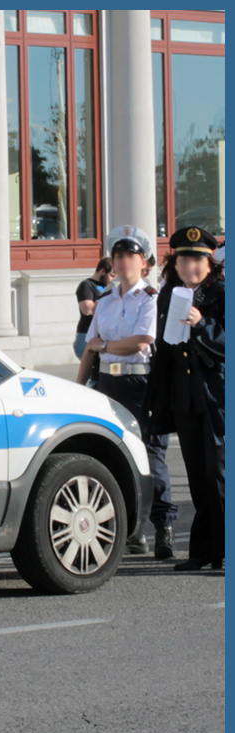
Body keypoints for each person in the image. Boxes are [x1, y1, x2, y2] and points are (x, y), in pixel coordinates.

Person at [76, 225, 177, 556]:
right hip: (107, 384)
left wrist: (104, 344)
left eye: (129, 256)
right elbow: (90, 349)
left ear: (144, 263)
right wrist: (79, 390)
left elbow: (142, 340)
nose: (121, 262)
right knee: (112, 453)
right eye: (117, 256)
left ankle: (164, 526)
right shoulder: (105, 299)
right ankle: (132, 530)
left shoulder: (151, 299)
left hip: (139, 384)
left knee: (150, 454)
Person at [147, 227, 225, 571]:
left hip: (217, 397)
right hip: (185, 398)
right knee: (197, 476)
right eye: (183, 259)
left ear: (209, 264)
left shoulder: (221, 294)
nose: (190, 266)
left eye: (196, 259)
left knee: (220, 476)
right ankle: (204, 550)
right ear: (174, 263)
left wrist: (202, 324)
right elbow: (163, 351)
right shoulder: (169, 295)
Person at [74, 257, 113, 360]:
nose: (113, 279)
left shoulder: (112, 286)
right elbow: (87, 309)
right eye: (112, 275)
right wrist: (108, 303)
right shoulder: (87, 285)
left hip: (104, 335)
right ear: (103, 271)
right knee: (91, 372)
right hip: (86, 335)